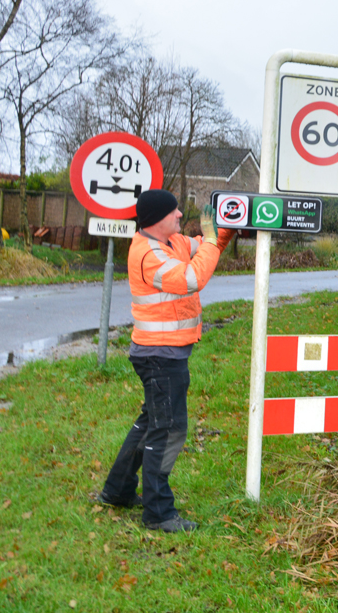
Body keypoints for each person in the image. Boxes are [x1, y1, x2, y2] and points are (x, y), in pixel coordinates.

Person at [98, 189, 234, 533]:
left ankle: (118, 491)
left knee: (150, 424)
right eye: (174, 211)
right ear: (158, 218)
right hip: (160, 356)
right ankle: (158, 512)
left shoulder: (171, 241)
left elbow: (201, 245)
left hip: (160, 352)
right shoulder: (149, 254)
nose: (179, 215)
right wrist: (214, 244)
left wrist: (228, 228)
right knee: (169, 429)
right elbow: (192, 278)